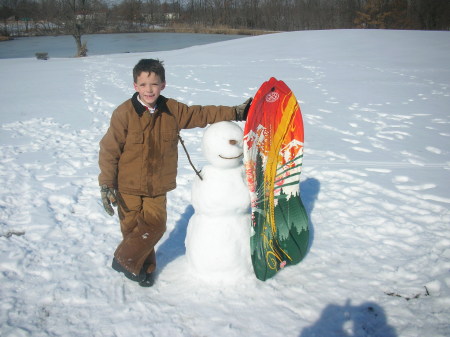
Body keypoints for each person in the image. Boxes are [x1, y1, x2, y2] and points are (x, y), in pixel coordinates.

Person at [98, 59, 251, 287]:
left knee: (154, 226)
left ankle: (124, 259)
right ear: (135, 86)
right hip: (127, 185)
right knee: (132, 230)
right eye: (143, 84)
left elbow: (201, 114)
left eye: (154, 84)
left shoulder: (173, 110)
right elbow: (109, 149)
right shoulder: (124, 113)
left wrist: (236, 112)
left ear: (163, 84)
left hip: (157, 186)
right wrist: (107, 183)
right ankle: (143, 269)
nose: (149, 89)